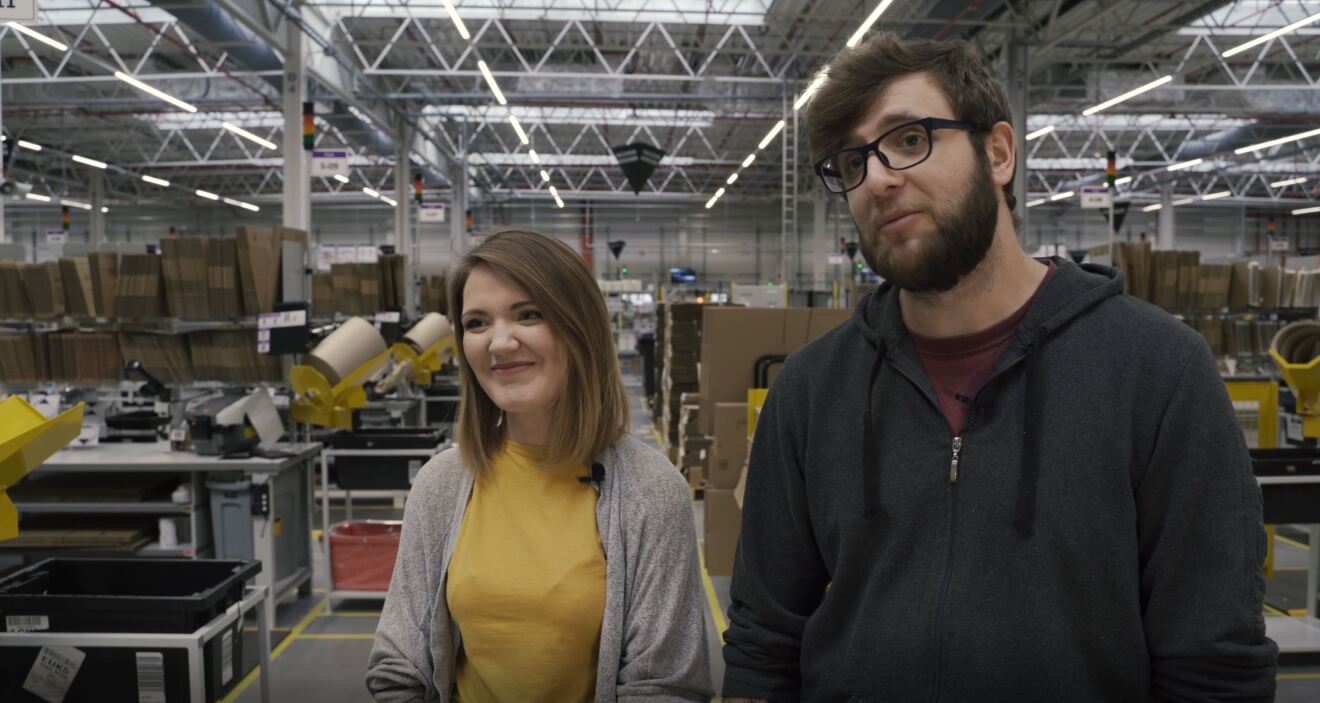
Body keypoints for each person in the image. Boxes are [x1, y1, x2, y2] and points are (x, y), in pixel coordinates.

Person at [722, 33, 1277, 701]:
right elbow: (764, 646)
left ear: (999, 153)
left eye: (907, 139)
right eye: (852, 162)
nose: (876, 178)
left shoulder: (1159, 373)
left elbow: (1213, 665)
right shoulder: (809, 393)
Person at [367, 229, 713, 702]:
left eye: (528, 315)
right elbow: (399, 668)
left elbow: (665, 686)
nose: (500, 343)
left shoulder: (651, 492)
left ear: (580, 327)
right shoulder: (442, 484)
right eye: (476, 323)